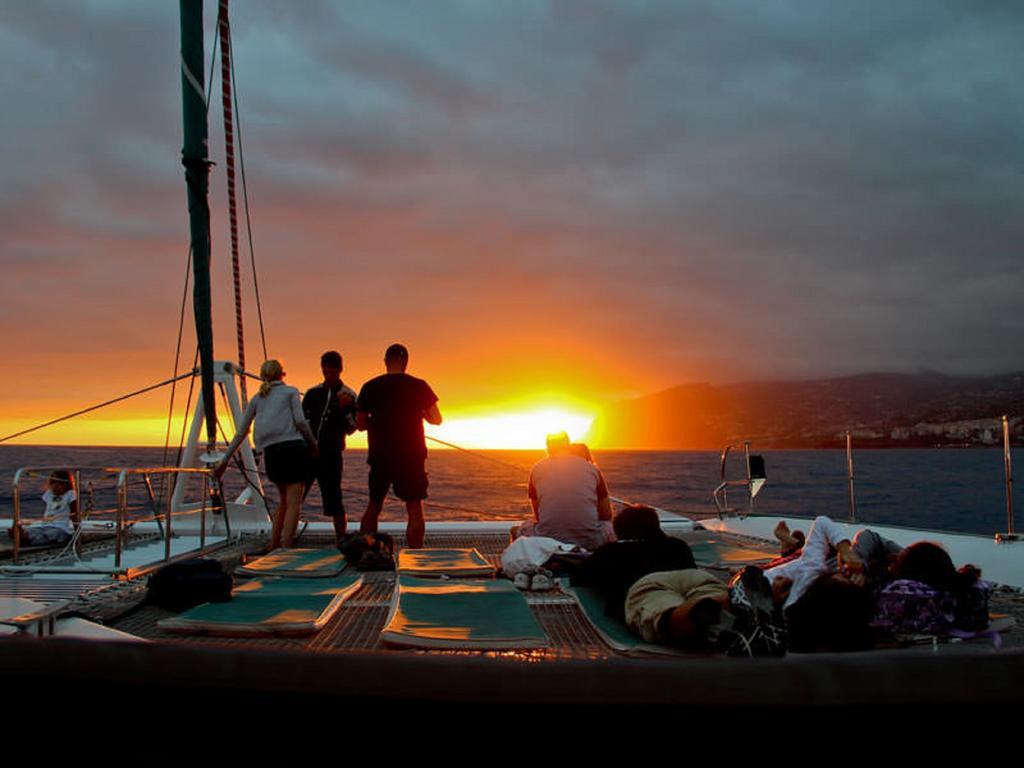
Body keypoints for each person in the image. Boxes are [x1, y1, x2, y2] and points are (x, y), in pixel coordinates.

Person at [215, 359, 319, 549]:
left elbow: (241, 432)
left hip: (272, 453)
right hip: (293, 450)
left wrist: (224, 460)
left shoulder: (257, 398)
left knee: (283, 501)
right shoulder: (291, 392)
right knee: (294, 502)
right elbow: (301, 422)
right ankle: (286, 546)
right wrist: (313, 444)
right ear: (282, 374)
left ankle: (273, 543)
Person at [356, 343, 441, 549]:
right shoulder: (419, 386)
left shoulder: (370, 386)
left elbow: (359, 424)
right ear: (406, 362)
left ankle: (368, 553)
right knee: (414, 508)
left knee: (374, 505)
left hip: (380, 455)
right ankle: (415, 556)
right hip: (411, 455)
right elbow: (436, 419)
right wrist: (420, 414)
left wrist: (376, 422)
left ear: (385, 362)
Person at [516, 432, 613, 551]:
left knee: (520, 530)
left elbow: (538, 515)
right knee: (608, 525)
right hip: (590, 541)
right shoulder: (592, 469)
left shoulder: (537, 468)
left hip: (549, 541)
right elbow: (606, 514)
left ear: (547, 447)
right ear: (568, 445)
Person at [302, 350, 357, 545]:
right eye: (326, 372)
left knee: (334, 497)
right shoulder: (312, 393)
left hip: (331, 454)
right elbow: (302, 421)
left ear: (340, 370)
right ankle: (284, 537)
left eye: (332, 372)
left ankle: (341, 540)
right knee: (296, 495)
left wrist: (344, 410)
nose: (329, 376)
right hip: (308, 453)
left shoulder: (349, 396)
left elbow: (352, 428)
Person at [9, 470, 78, 547]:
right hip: (45, 525)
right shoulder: (49, 494)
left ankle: (27, 539)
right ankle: (24, 535)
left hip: (61, 528)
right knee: (35, 530)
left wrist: (77, 532)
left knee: (51, 534)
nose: (56, 486)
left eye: (60, 483)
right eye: (53, 482)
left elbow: (74, 514)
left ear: (67, 485)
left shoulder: (70, 494)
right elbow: (49, 510)